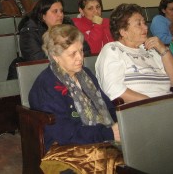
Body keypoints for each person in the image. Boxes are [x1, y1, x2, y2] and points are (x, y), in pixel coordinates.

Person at [29, 24, 121, 172]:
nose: (80, 58)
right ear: (55, 57)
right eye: (72, 54)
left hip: (97, 135)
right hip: (65, 147)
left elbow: (107, 105)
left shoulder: (85, 74)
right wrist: (108, 133)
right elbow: (65, 133)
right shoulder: (47, 86)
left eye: (81, 51)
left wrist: (119, 124)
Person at [95, 3, 173, 103]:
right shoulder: (112, 50)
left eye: (144, 23)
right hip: (140, 111)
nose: (145, 27)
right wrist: (151, 104)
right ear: (123, 31)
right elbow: (113, 90)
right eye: (139, 24)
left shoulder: (151, 50)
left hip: (169, 106)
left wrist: (163, 50)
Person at [19, 0, 91, 62]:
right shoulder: (29, 32)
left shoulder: (68, 26)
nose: (60, 15)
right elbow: (37, 60)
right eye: (55, 11)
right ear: (43, 16)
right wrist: (66, 58)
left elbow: (85, 49)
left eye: (61, 11)